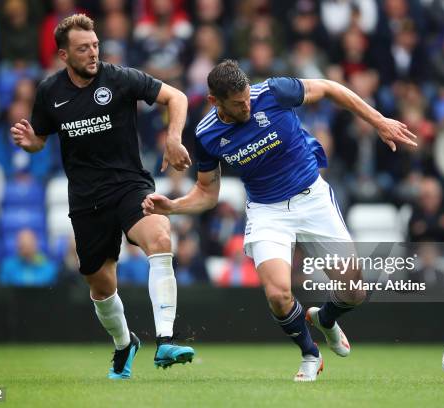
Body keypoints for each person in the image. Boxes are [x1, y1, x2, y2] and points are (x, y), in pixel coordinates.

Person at [142, 60, 417, 381]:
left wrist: (379, 121)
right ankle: (309, 354)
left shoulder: (273, 92)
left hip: (312, 198)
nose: (246, 105)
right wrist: (173, 206)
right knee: (277, 294)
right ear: (215, 101)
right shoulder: (206, 135)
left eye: (247, 98)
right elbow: (207, 193)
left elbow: (328, 88)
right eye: (238, 103)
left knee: (353, 292)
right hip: (266, 211)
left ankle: (325, 319)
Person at [10, 14, 194, 379]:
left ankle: (166, 340)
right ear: (64, 55)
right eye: (83, 49)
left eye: (95, 45)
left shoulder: (120, 78)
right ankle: (125, 344)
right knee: (100, 284)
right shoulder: (49, 92)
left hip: (129, 185)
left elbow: (177, 96)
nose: (93, 53)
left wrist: (173, 138)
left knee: (159, 236)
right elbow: (40, 139)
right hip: (85, 198)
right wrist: (32, 144)